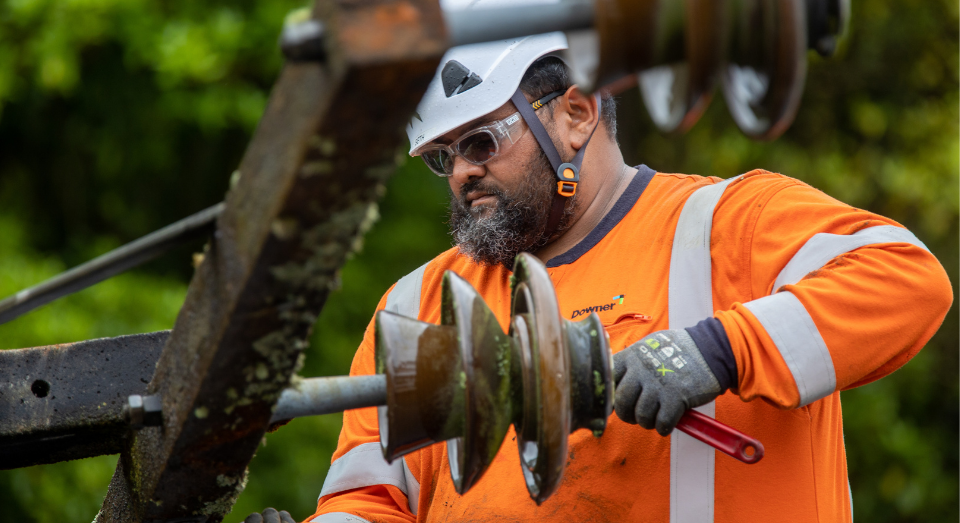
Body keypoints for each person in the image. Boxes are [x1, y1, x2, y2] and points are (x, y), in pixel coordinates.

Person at [247, 29, 951, 523]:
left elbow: (908, 279)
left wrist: (718, 350)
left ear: (577, 115)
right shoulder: (418, 304)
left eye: (481, 141)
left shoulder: (725, 225)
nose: (461, 172)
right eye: (443, 156)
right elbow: (372, 499)